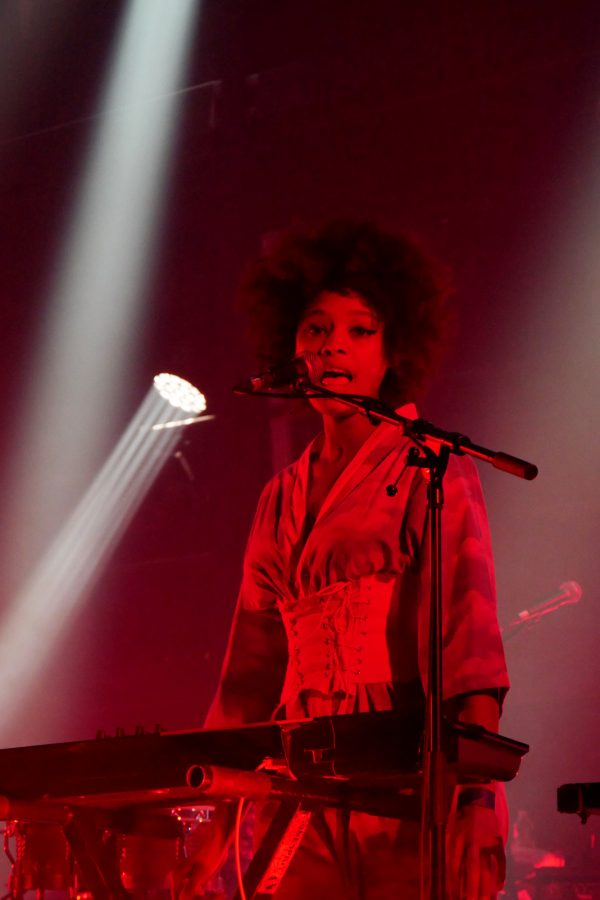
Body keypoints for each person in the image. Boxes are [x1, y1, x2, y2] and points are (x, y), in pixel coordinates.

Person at [177, 219, 510, 899]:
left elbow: (469, 648)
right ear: (290, 345)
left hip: (406, 783)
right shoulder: (279, 498)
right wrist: (213, 816)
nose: (333, 345)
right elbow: (246, 682)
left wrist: (476, 795)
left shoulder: (432, 466)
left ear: (394, 350)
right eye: (316, 328)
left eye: (360, 330)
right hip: (298, 793)